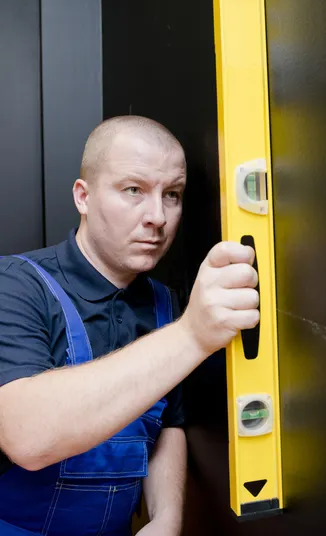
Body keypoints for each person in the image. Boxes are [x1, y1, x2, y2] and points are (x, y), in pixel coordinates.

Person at [0, 116, 260, 536]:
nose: (157, 217)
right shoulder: (14, 285)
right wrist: (192, 335)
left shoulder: (165, 304)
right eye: (134, 190)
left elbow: (167, 423)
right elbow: (27, 437)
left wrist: (167, 517)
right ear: (83, 197)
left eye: (171, 195)